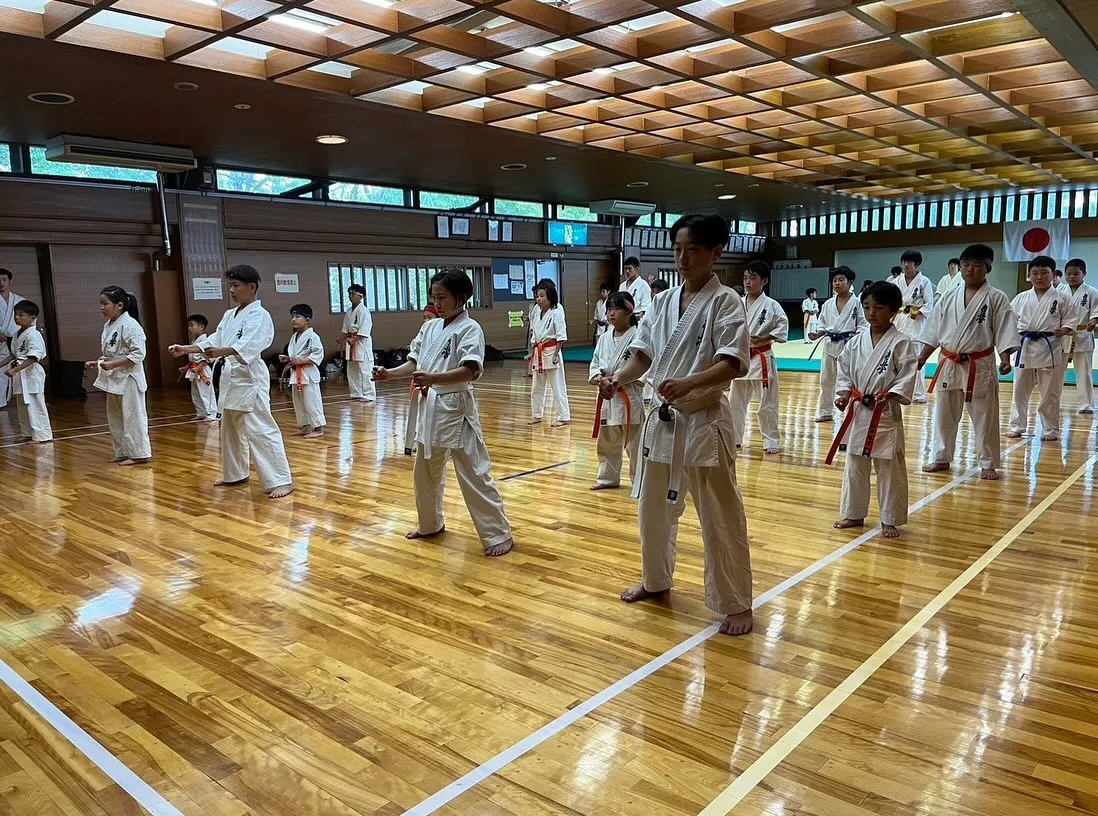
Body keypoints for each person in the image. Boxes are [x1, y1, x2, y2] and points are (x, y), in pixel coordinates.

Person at [602, 213, 753, 636]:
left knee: (719, 514)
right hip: (662, 421)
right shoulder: (664, 300)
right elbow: (643, 354)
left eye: (693, 250)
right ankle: (655, 581)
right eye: (677, 249)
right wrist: (620, 376)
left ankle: (736, 602)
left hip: (703, 420)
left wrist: (689, 382)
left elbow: (732, 363)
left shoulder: (726, 302)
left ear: (716, 253)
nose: (683, 258)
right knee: (652, 508)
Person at [374, 269, 514, 557]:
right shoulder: (430, 328)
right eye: (433, 297)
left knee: (474, 472)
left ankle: (498, 533)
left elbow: (470, 370)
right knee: (425, 471)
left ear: (461, 298)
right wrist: (389, 374)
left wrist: (433, 379)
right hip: (431, 406)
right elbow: (415, 364)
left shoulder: (470, 329)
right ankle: (430, 524)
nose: (436, 303)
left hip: (455, 406)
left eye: (442, 297)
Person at [169, 265, 294, 499]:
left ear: (252, 287)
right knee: (230, 428)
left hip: (249, 377)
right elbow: (215, 340)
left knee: (260, 429)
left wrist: (219, 352)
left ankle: (281, 479)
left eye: (236, 286)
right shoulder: (230, 315)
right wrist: (186, 348)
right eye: (231, 286)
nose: (232, 291)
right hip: (230, 378)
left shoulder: (260, 315)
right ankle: (235, 474)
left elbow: (249, 345)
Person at [918, 244, 1018, 480]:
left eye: (976, 265)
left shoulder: (996, 297)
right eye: (965, 265)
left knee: (985, 415)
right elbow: (933, 329)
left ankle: (988, 462)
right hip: (949, 361)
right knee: (944, 413)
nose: (970, 270)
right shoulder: (949, 296)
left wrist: (1005, 358)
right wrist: (922, 356)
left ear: (988, 268)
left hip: (978, 363)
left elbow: (1003, 329)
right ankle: (941, 456)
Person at [830, 281, 917, 538]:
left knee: (889, 467)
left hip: (884, 410)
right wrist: (844, 393)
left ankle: (890, 518)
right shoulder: (856, 342)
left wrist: (891, 392)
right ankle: (854, 513)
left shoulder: (901, 342)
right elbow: (844, 369)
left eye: (878, 307)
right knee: (855, 464)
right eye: (867, 307)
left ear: (893, 311)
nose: (871, 313)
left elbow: (908, 374)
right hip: (859, 411)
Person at [1007, 255, 1076, 440]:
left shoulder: (1063, 298)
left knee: (1050, 393)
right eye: (1035, 273)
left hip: (1050, 347)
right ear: (1029, 275)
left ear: (1053, 275)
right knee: (1019, 391)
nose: (1039, 277)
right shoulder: (1021, 298)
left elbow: (1071, 320)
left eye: (1044, 273)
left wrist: (1065, 329)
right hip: (1025, 347)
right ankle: (1017, 425)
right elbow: (1009, 322)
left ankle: (1050, 429)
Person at [87, 286, 152, 465]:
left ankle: (140, 454)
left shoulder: (131, 325)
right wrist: (98, 362)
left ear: (120, 305)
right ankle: (122, 451)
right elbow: (112, 353)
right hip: (114, 377)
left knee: (133, 416)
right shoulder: (109, 325)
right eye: (100, 304)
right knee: (115, 417)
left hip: (129, 377)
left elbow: (138, 354)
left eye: (105, 304)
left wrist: (113, 364)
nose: (101, 307)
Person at [730, 260, 788, 454]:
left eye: (752, 278)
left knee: (767, 403)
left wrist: (765, 337)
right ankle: (734, 437)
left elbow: (782, 329)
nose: (747, 282)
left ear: (764, 281)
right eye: (745, 278)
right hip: (740, 359)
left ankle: (771, 440)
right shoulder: (737, 303)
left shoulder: (772, 305)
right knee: (734, 403)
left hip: (762, 357)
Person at [589, 291, 643, 490]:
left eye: (617, 308)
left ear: (629, 311)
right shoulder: (604, 338)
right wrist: (600, 379)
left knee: (634, 443)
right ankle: (607, 478)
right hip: (607, 396)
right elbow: (595, 363)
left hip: (628, 394)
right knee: (607, 440)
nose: (612, 313)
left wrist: (619, 379)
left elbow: (645, 364)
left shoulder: (638, 336)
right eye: (609, 309)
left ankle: (640, 482)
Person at [811, 266, 865, 422]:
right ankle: (825, 411)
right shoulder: (828, 303)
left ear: (850, 282)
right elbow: (822, 323)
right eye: (834, 280)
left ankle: (852, 411)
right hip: (829, 345)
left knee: (850, 381)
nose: (837, 283)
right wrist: (818, 333)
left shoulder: (858, 303)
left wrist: (856, 337)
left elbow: (863, 325)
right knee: (826, 380)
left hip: (849, 346)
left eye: (841, 280)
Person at [1, 300, 52, 442]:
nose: (17, 318)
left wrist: (15, 370)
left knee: (35, 403)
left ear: (33, 317)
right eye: (15, 315)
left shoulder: (34, 335)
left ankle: (43, 435)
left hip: (31, 373)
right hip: (20, 372)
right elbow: (13, 355)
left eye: (21, 315)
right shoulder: (17, 334)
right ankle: (28, 433)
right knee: (22, 405)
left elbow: (33, 358)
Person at [892, 250, 935, 403]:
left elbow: (929, 304)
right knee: (897, 358)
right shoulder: (896, 282)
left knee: (917, 360)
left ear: (916, 264)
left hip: (916, 323)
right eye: (903, 262)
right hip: (899, 320)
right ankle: (898, 390)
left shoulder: (924, 281)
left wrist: (920, 311)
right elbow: (891, 299)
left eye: (909, 262)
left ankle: (918, 393)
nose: (905, 265)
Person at [528, 281, 571, 426]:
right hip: (539, 352)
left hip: (551, 351)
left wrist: (555, 354)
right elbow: (534, 334)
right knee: (536, 387)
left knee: (557, 387)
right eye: (537, 296)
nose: (538, 299)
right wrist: (531, 353)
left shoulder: (557, 311)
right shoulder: (536, 311)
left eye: (541, 296)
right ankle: (537, 414)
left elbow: (561, 336)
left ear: (550, 297)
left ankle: (563, 416)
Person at [280, 304, 326, 439]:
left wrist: (299, 361)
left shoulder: (313, 337)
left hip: (308, 373)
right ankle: (305, 426)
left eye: (297, 317)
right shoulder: (294, 336)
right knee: (298, 402)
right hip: (296, 373)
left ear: (307, 319)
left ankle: (318, 428)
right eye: (292, 317)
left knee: (312, 401)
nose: (293, 319)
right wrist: (288, 359)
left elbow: (317, 355)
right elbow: (295, 356)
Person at [1064, 258, 1098, 414]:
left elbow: (1095, 312)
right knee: (1055, 373)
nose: (1071, 277)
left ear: (1084, 273)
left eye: (1076, 273)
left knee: (1084, 372)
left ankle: (1086, 404)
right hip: (1062, 336)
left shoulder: (1091, 292)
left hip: (1083, 334)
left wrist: (1093, 321)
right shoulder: (1059, 292)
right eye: (1068, 274)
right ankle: (1052, 401)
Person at [338, 283, 375, 402]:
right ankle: (355, 392)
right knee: (352, 369)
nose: (350, 296)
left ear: (361, 296)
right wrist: (342, 338)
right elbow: (345, 328)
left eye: (352, 294)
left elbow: (365, 328)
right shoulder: (349, 311)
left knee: (365, 369)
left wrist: (354, 339)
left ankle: (369, 394)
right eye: (349, 294)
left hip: (361, 342)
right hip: (350, 342)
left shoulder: (364, 311)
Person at [181, 314, 218, 423]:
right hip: (194, 369)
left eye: (192, 326)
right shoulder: (195, 341)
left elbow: (208, 358)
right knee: (196, 393)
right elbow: (193, 359)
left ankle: (212, 413)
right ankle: (201, 413)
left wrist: (199, 367)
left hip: (203, 370)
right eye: (189, 326)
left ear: (201, 327)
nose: (190, 328)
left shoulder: (206, 341)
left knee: (206, 392)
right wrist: (186, 367)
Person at [0, 268, 25, 408]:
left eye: (4, 279)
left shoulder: (20, 301)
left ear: (9, 281)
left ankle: (21, 400)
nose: (1, 283)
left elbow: (29, 322)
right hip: (1, 342)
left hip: (16, 340)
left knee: (20, 372)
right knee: (0, 373)